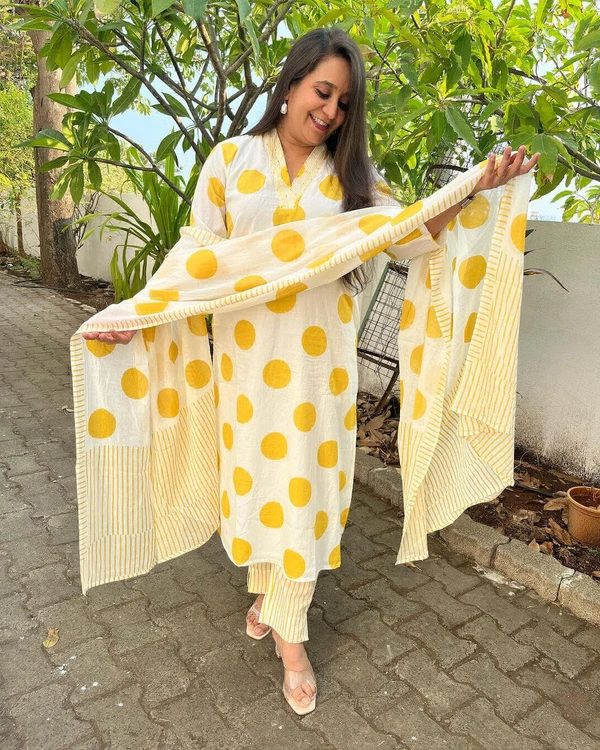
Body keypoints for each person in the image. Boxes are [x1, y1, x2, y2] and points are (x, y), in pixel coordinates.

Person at [82, 28, 538, 716]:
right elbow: (193, 258)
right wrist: (135, 313)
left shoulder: (352, 180)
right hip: (246, 372)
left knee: (305, 496)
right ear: (291, 83)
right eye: (322, 92)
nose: (329, 111)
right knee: (260, 490)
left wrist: (477, 187)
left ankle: (289, 637)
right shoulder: (231, 161)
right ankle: (270, 596)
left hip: (319, 376)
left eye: (344, 103)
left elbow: (410, 234)